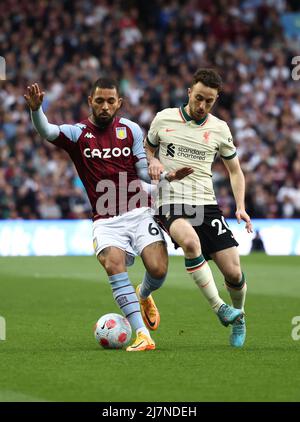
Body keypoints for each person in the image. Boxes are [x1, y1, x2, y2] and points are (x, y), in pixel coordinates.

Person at [24, 79, 193, 351]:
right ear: (90, 100)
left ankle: (144, 294)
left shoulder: (131, 130)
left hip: (140, 211)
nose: (105, 106)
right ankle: (143, 335)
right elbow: (47, 130)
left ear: (119, 103)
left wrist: (166, 175)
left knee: (158, 269)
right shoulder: (78, 133)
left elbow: (141, 170)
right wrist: (36, 110)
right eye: (99, 101)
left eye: (110, 101)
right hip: (106, 220)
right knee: (114, 264)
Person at [144, 68, 253, 348]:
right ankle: (220, 309)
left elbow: (235, 171)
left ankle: (239, 318)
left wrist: (240, 206)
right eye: (199, 98)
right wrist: (152, 161)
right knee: (191, 243)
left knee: (233, 273)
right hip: (170, 200)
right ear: (189, 92)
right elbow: (146, 148)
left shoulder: (219, 128)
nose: (202, 106)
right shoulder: (163, 118)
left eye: (209, 101)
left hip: (206, 204)